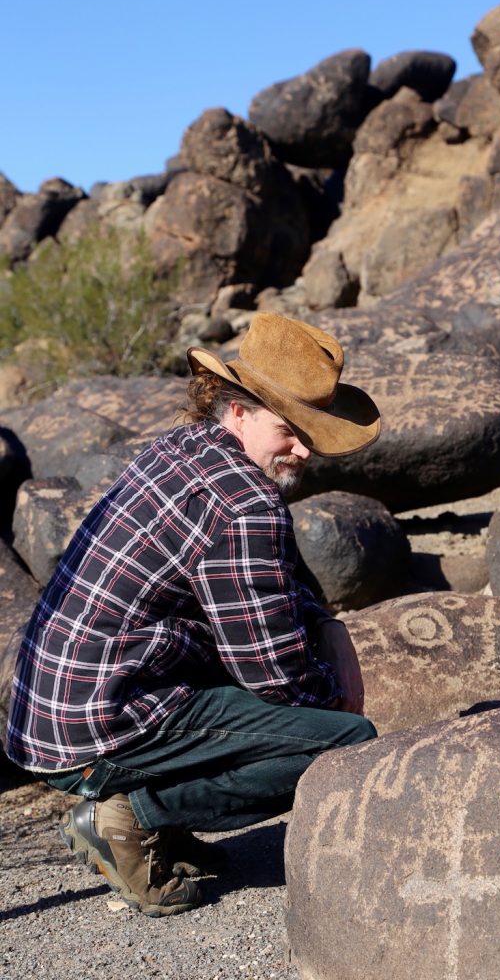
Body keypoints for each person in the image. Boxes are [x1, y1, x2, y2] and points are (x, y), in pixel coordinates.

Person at [5, 312, 381, 917]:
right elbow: (273, 673)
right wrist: (334, 694)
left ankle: (153, 811)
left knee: (252, 686)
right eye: (291, 429)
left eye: (314, 432)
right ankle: (133, 815)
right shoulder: (245, 504)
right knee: (343, 745)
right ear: (239, 410)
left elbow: (273, 584)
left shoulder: (184, 446)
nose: (305, 449)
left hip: (49, 712)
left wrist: (326, 624)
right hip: (99, 723)